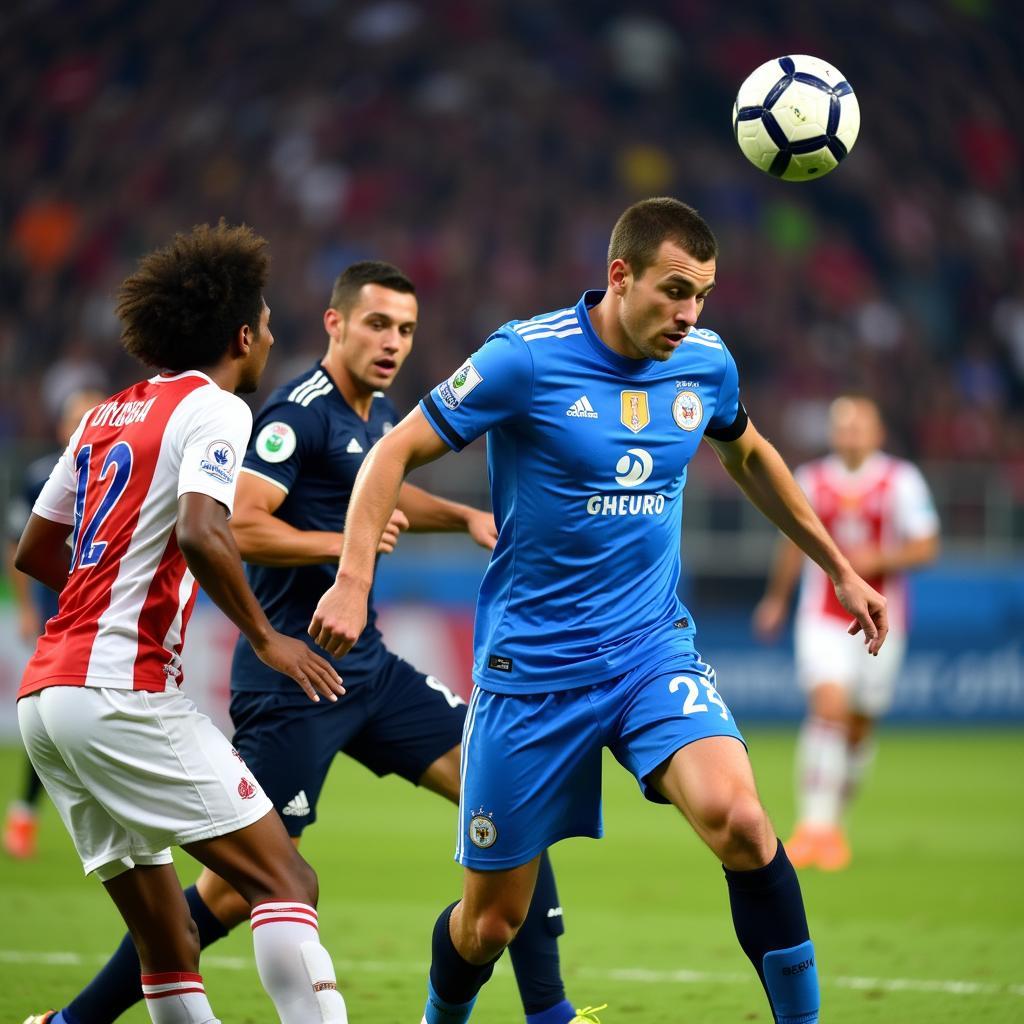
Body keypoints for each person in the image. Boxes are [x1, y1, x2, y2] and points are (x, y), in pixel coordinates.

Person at [309, 197, 890, 1024]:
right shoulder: (524, 359)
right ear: (619, 275)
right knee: (489, 923)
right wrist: (353, 580)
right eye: (674, 291)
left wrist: (836, 565)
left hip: (651, 652)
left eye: (704, 296)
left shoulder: (706, 363)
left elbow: (750, 452)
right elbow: (394, 450)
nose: (689, 316)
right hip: (532, 673)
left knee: (745, 824)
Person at [34, 260, 588, 1024]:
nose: (393, 342)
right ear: (335, 323)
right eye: (377, 325)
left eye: (405, 330)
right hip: (294, 679)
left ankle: (549, 1011)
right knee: (240, 889)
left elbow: (379, 487)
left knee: (505, 783)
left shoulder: (378, 416)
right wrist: (342, 549)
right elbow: (242, 524)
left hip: (366, 669)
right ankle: (78, 1018)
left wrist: (459, 518)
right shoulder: (293, 412)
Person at [18, 222, 350, 1024]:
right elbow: (206, 530)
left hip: (45, 702)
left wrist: (104, 599)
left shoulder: (105, 416)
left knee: (168, 942)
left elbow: (35, 549)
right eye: (267, 322)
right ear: (242, 335)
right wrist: (269, 638)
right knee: (284, 880)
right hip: (120, 692)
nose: (273, 334)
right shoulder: (217, 408)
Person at [753, 394, 939, 870]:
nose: (850, 435)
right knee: (828, 709)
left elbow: (926, 547)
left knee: (859, 726)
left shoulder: (900, 479)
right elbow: (793, 544)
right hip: (822, 616)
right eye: (843, 427)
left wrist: (881, 559)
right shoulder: (811, 479)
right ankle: (815, 829)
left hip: (882, 619)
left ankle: (833, 821)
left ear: (877, 434)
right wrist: (776, 599)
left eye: (859, 427)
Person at [4, 388, 105, 860]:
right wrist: (26, 609)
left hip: (107, 619)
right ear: (64, 426)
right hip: (59, 617)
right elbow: (17, 545)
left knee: (77, 717)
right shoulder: (42, 475)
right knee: (53, 714)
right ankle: (25, 811)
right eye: (79, 417)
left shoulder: (117, 472)